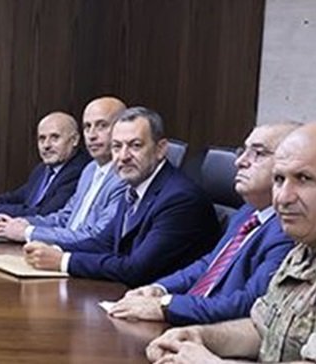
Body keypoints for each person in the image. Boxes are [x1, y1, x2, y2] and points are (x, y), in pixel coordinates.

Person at [146, 122, 316, 363]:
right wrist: (201, 336)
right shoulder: (312, 240)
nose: (284, 197)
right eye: (279, 179)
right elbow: (262, 328)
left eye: (304, 179)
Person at [109, 122, 298, 326]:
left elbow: (249, 305)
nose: (240, 162)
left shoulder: (287, 231)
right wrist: (159, 289)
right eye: (243, 151)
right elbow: (209, 265)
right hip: (190, 319)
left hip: (214, 331)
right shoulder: (247, 212)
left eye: (258, 154)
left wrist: (166, 306)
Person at [23, 107, 220, 287]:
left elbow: (136, 269)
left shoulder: (180, 199)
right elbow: (103, 243)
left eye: (135, 146)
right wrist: (54, 250)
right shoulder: (134, 187)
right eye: (117, 147)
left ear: (160, 149)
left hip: (162, 302)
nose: (123, 156)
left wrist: (65, 261)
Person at [0, 97, 129, 243]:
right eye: (87, 127)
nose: (92, 135)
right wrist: (24, 223)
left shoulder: (124, 177)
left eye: (102, 126)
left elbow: (96, 237)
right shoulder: (90, 169)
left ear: (123, 129)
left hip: (78, 254)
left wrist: (28, 232)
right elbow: (65, 217)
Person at [0, 111, 91, 220]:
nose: (46, 145)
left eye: (55, 137)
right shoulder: (43, 169)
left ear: (74, 140)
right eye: (42, 138)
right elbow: (18, 196)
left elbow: (46, 213)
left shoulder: (79, 171)